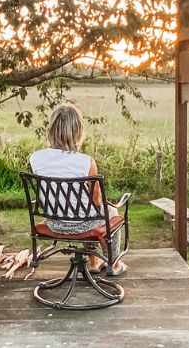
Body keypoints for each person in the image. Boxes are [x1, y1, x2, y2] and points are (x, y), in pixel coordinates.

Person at [28, 103, 128, 276]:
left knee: (90, 213)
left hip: (53, 222)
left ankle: (94, 263)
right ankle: (114, 262)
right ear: (77, 131)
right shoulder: (86, 162)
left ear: (51, 129)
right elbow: (96, 202)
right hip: (84, 225)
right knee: (108, 211)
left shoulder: (36, 158)